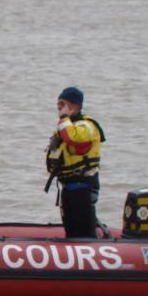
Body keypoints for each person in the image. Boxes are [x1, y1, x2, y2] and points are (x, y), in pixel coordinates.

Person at [45, 86, 104, 238]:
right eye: (58, 104)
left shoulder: (87, 126)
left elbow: (72, 138)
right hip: (67, 186)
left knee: (84, 231)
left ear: (75, 106)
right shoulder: (65, 127)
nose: (59, 108)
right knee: (71, 229)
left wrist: (64, 118)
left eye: (63, 104)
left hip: (83, 185)